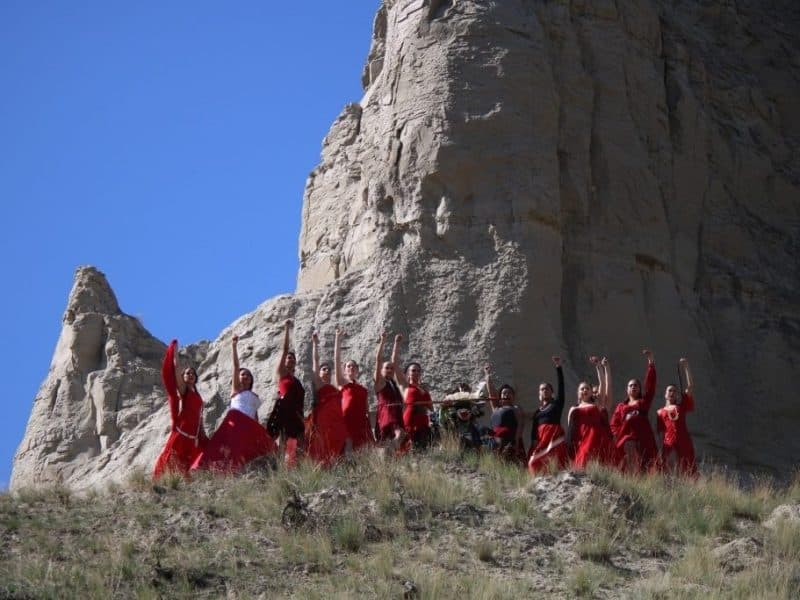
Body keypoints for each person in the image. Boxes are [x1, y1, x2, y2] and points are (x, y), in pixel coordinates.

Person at [191, 335, 275, 473]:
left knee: (248, 448)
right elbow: (236, 367)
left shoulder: (254, 396)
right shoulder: (236, 390)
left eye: (247, 375)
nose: (244, 376)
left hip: (248, 425)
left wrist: (258, 428)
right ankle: (210, 468)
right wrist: (234, 346)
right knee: (229, 447)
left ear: (251, 380)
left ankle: (243, 469)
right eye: (242, 374)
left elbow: (255, 415)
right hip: (235, 421)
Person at [153, 339, 207, 479]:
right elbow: (177, 369)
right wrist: (175, 352)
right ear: (183, 378)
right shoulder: (184, 390)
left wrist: (201, 432)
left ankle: (181, 484)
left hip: (193, 436)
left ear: (196, 378)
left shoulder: (197, 394)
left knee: (186, 465)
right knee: (172, 459)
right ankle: (163, 482)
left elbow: (199, 415)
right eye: (187, 373)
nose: (190, 375)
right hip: (182, 433)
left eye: (192, 374)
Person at [305, 331, 350, 466]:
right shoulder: (319, 385)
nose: (327, 371)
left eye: (328, 370)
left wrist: (337, 338)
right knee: (322, 445)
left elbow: (337, 360)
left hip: (338, 420)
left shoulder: (335, 387)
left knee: (344, 441)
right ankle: (318, 470)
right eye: (324, 369)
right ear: (319, 373)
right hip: (324, 420)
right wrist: (315, 344)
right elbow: (315, 362)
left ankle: (337, 468)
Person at [610, 349, 658, 473]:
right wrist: (618, 433)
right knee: (629, 456)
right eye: (631, 385)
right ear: (627, 389)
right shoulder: (621, 406)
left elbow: (651, 386)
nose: (633, 387)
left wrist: (651, 363)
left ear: (639, 389)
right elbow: (613, 424)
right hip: (626, 437)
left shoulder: (643, 402)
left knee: (645, 463)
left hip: (643, 437)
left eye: (636, 385)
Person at [567, 356, 618, 469]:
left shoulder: (598, 406)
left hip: (597, 439)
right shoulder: (574, 409)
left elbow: (604, 386)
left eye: (588, 389)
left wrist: (600, 367)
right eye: (582, 389)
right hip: (581, 440)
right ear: (578, 392)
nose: (585, 390)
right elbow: (570, 428)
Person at [266, 320, 305, 465]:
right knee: (283, 440)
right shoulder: (282, 374)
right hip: (283, 411)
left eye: (293, 358)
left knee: (296, 443)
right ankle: (280, 469)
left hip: (296, 414)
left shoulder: (297, 381)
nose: (290, 359)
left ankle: (293, 467)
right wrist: (287, 329)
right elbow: (284, 349)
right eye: (289, 357)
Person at [656, 358, 698, 476]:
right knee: (669, 469)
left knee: (685, 470)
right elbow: (660, 433)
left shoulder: (681, 406)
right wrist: (660, 449)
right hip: (668, 443)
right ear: (665, 394)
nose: (672, 392)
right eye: (669, 390)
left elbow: (690, 387)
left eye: (675, 391)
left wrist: (686, 367)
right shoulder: (659, 412)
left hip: (683, 441)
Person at [335, 327, 373, 451]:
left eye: (353, 366)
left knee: (363, 450)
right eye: (348, 366)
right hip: (347, 421)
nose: (351, 368)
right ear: (344, 370)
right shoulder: (343, 383)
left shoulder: (363, 389)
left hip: (361, 422)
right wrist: (338, 339)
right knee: (348, 449)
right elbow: (336, 360)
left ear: (357, 369)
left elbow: (366, 408)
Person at [528, 357, 568, 474]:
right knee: (533, 462)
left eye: (547, 388)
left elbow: (561, 387)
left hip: (554, 437)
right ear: (539, 394)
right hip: (541, 439)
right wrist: (533, 443)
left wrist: (558, 367)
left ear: (552, 392)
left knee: (556, 461)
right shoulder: (537, 412)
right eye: (542, 389)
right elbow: (534, 430)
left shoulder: (557, 404)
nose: (544, 390)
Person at [395, 351, 434, 451]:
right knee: (409, 450)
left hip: (423, 422)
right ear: (407, 373)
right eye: (413, 370)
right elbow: (395, 365)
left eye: (418, 371)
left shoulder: (424, 389)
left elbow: (431, 407)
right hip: (410, 423)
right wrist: (397, 344)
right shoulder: (405, 386)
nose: (416, 372)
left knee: (423, 450)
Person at [374, 333, 405, 451]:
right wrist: (382, 341)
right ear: (381, 370)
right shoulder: (380, 383)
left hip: (396, 414)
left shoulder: (393, 383)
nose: (390, 370)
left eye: (391, 369)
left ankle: (386, 456)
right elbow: (378, 360)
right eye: (386, 368)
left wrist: (396, 344)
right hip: (387, 414)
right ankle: (389, 452)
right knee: (400, 434)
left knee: (389, 439)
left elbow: (394, 361)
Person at [486, 369, 525, 462]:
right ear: (500, 396)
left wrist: (517, 442)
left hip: (510, 442)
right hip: (496, 442)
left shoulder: (516, 408)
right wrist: (487, 375)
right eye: (504, 393)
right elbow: (491, 391)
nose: (507, 395)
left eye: (509, 393)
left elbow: (520, 425)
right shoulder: (495, 408)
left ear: (513, 396)